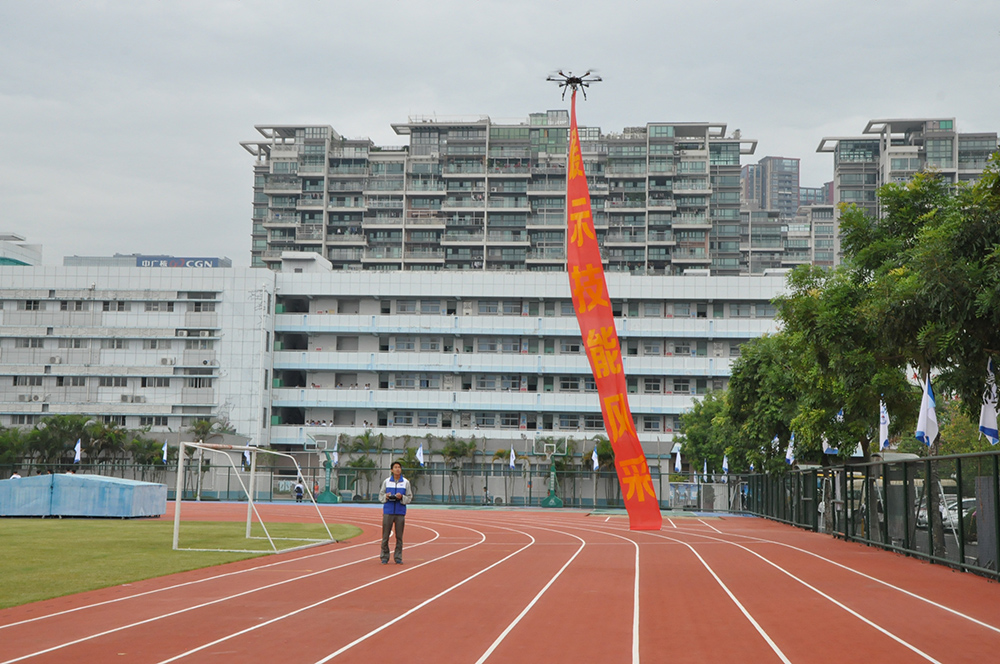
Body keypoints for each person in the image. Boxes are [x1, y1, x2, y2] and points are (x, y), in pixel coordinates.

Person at [379, 461, 412, 565]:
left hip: (400, 512)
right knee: (385, 536)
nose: (397, 469)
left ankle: (398, 557)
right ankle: (384, 556)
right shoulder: (387, 481)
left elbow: (410, 497)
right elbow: (380, 496)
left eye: (399, 467)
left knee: (399, 537)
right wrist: (386, 497)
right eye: (395, 467)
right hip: (388, 511)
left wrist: (402, 497)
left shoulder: (405, 482)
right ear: (391, 470)